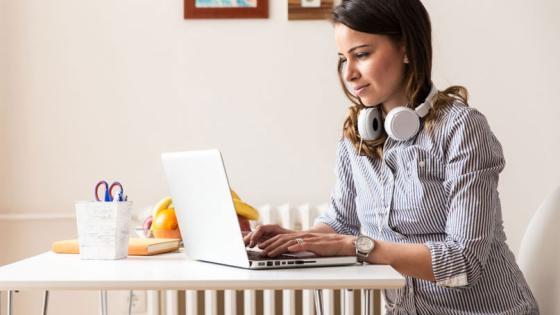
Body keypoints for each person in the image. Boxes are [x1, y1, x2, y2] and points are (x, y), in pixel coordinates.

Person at [244, 0, 539, 313]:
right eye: (343, 59)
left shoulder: (462, 129)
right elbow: (341, 222)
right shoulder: (355, 135)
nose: (349, 73)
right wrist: (295, 240)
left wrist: (360, 247)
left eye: (362, 54)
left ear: (407, 49)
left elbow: (463, 261)